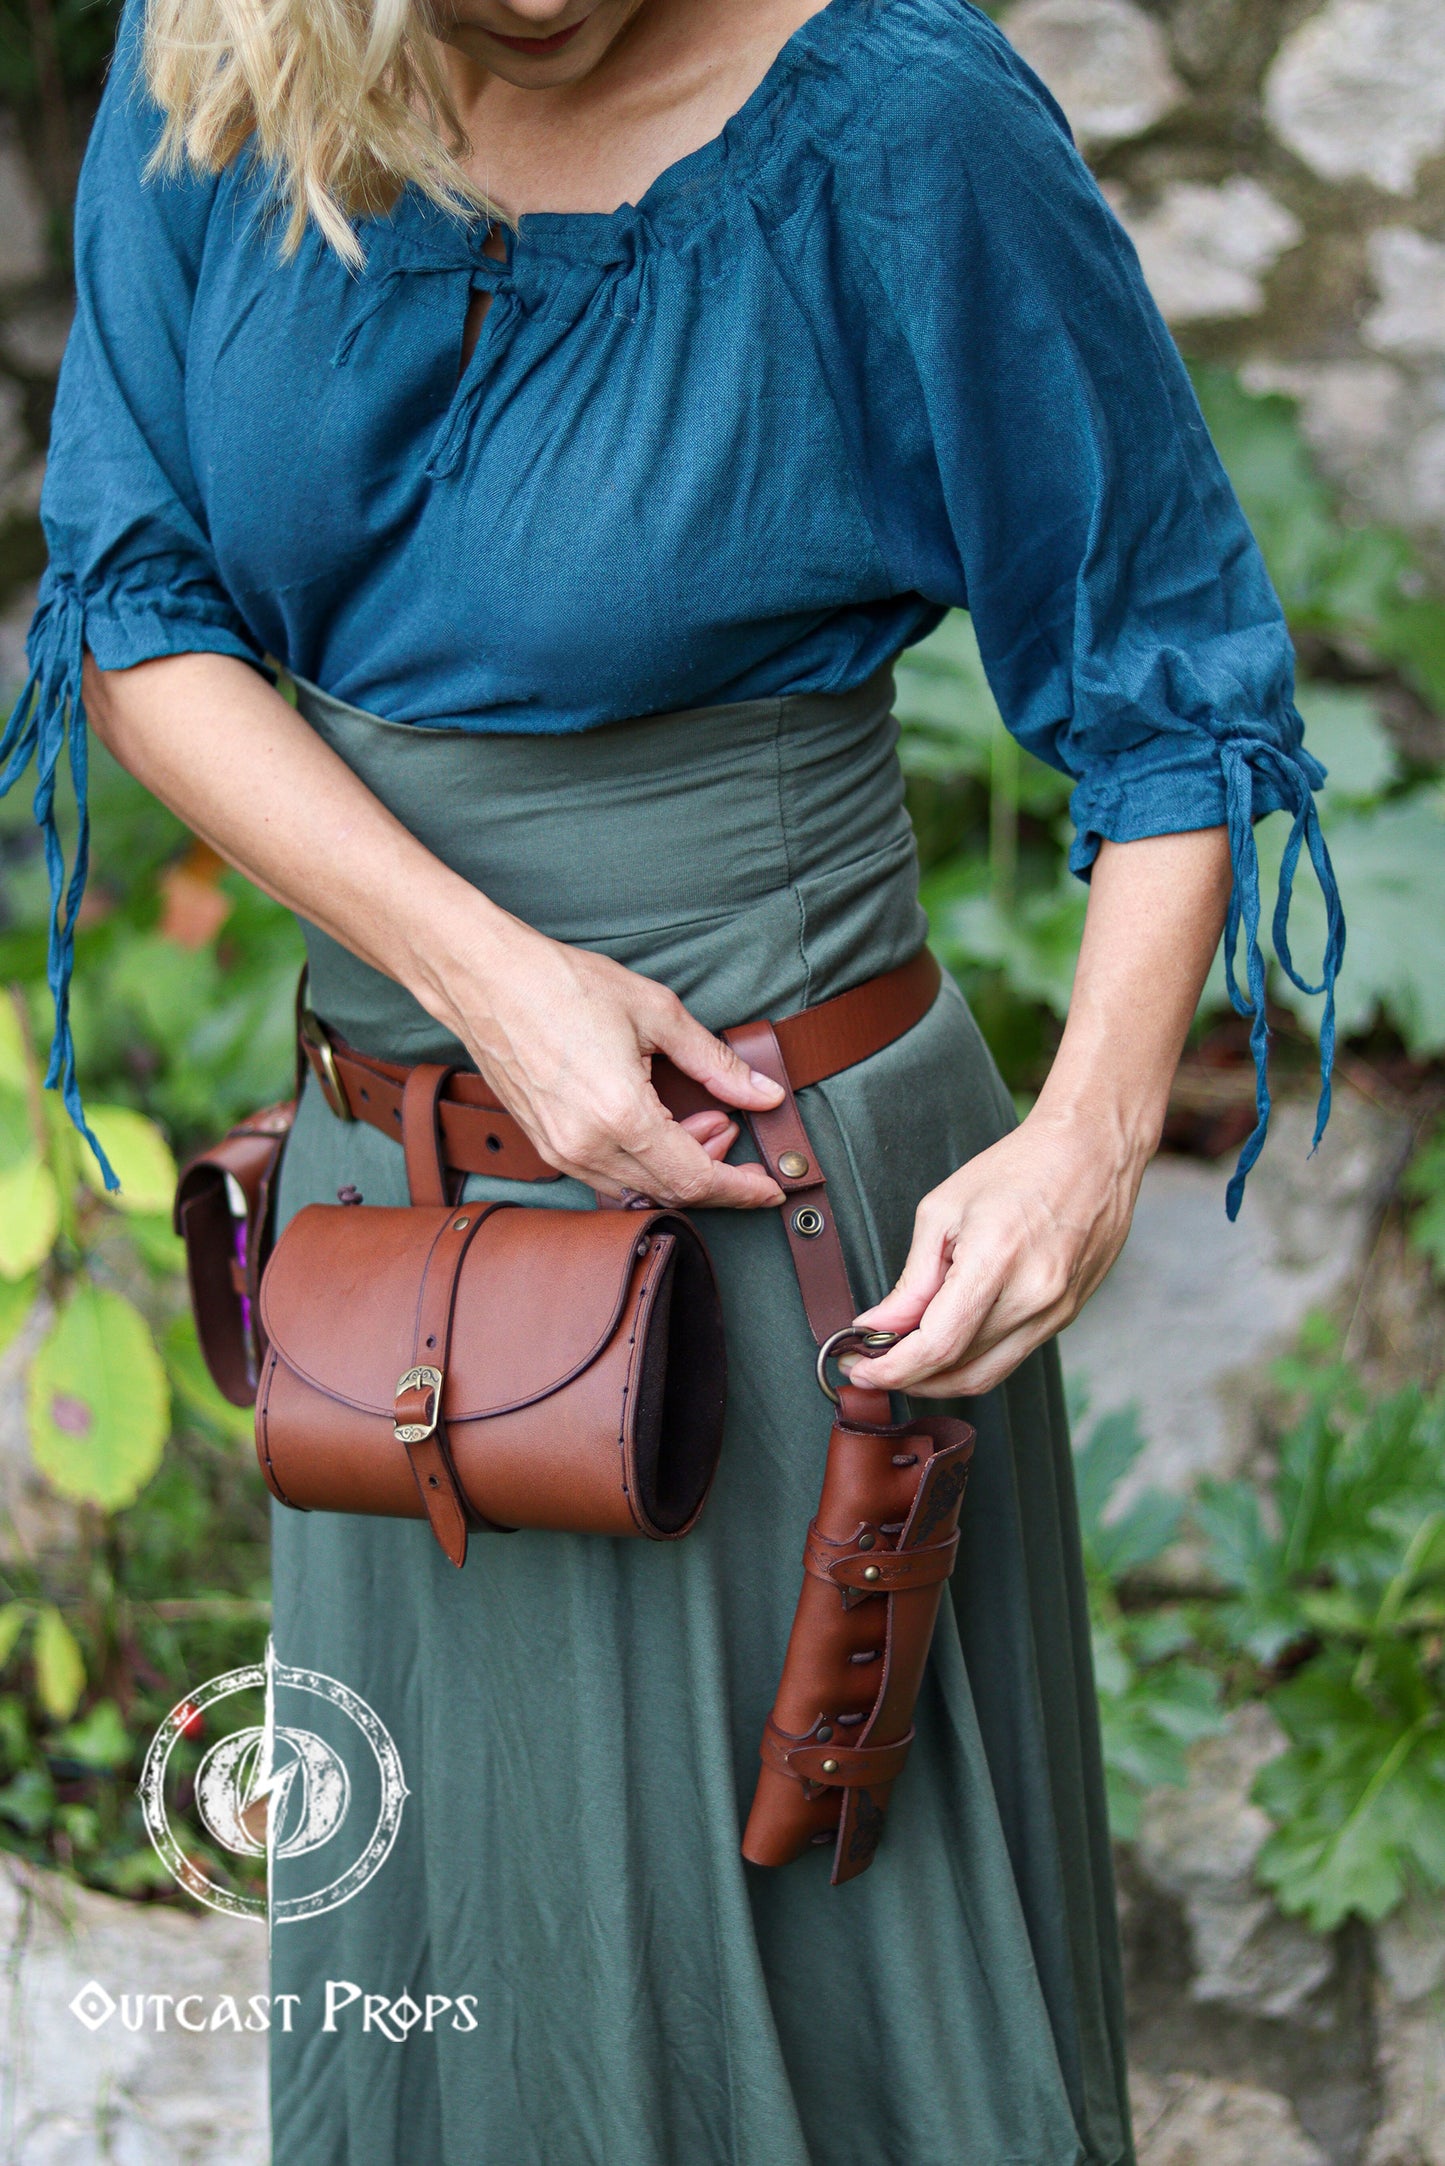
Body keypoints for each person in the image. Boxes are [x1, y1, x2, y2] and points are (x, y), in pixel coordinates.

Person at [2, 1, 1342, 2160]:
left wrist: (1087, 1143)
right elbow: (138, 604)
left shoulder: (903, 127)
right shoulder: (227, 54)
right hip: (382, 1250)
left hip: (771, 1237)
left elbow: (1168, 696)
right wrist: (484, 973)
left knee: (820, 2016)